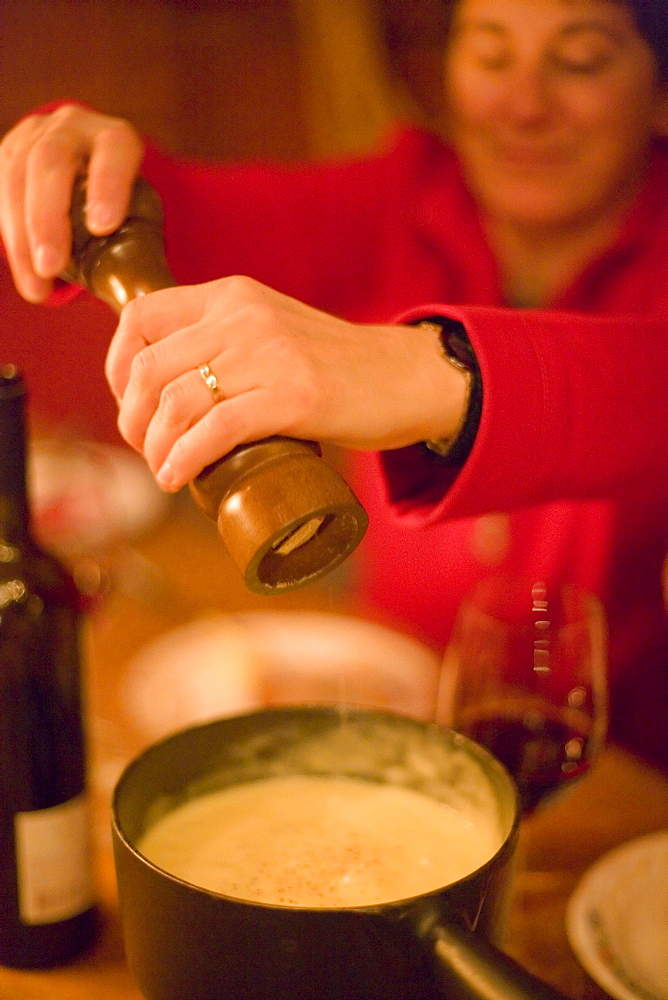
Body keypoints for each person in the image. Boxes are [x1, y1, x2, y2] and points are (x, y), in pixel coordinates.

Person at [1, 0, 667, 767]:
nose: (523, 104)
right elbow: (173, 216)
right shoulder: (403, 197)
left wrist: (435, 370)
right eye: (490, 55)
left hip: (625, 785)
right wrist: (68, 152)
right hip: (392, 746)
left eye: (579, 61)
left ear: (657, 90)